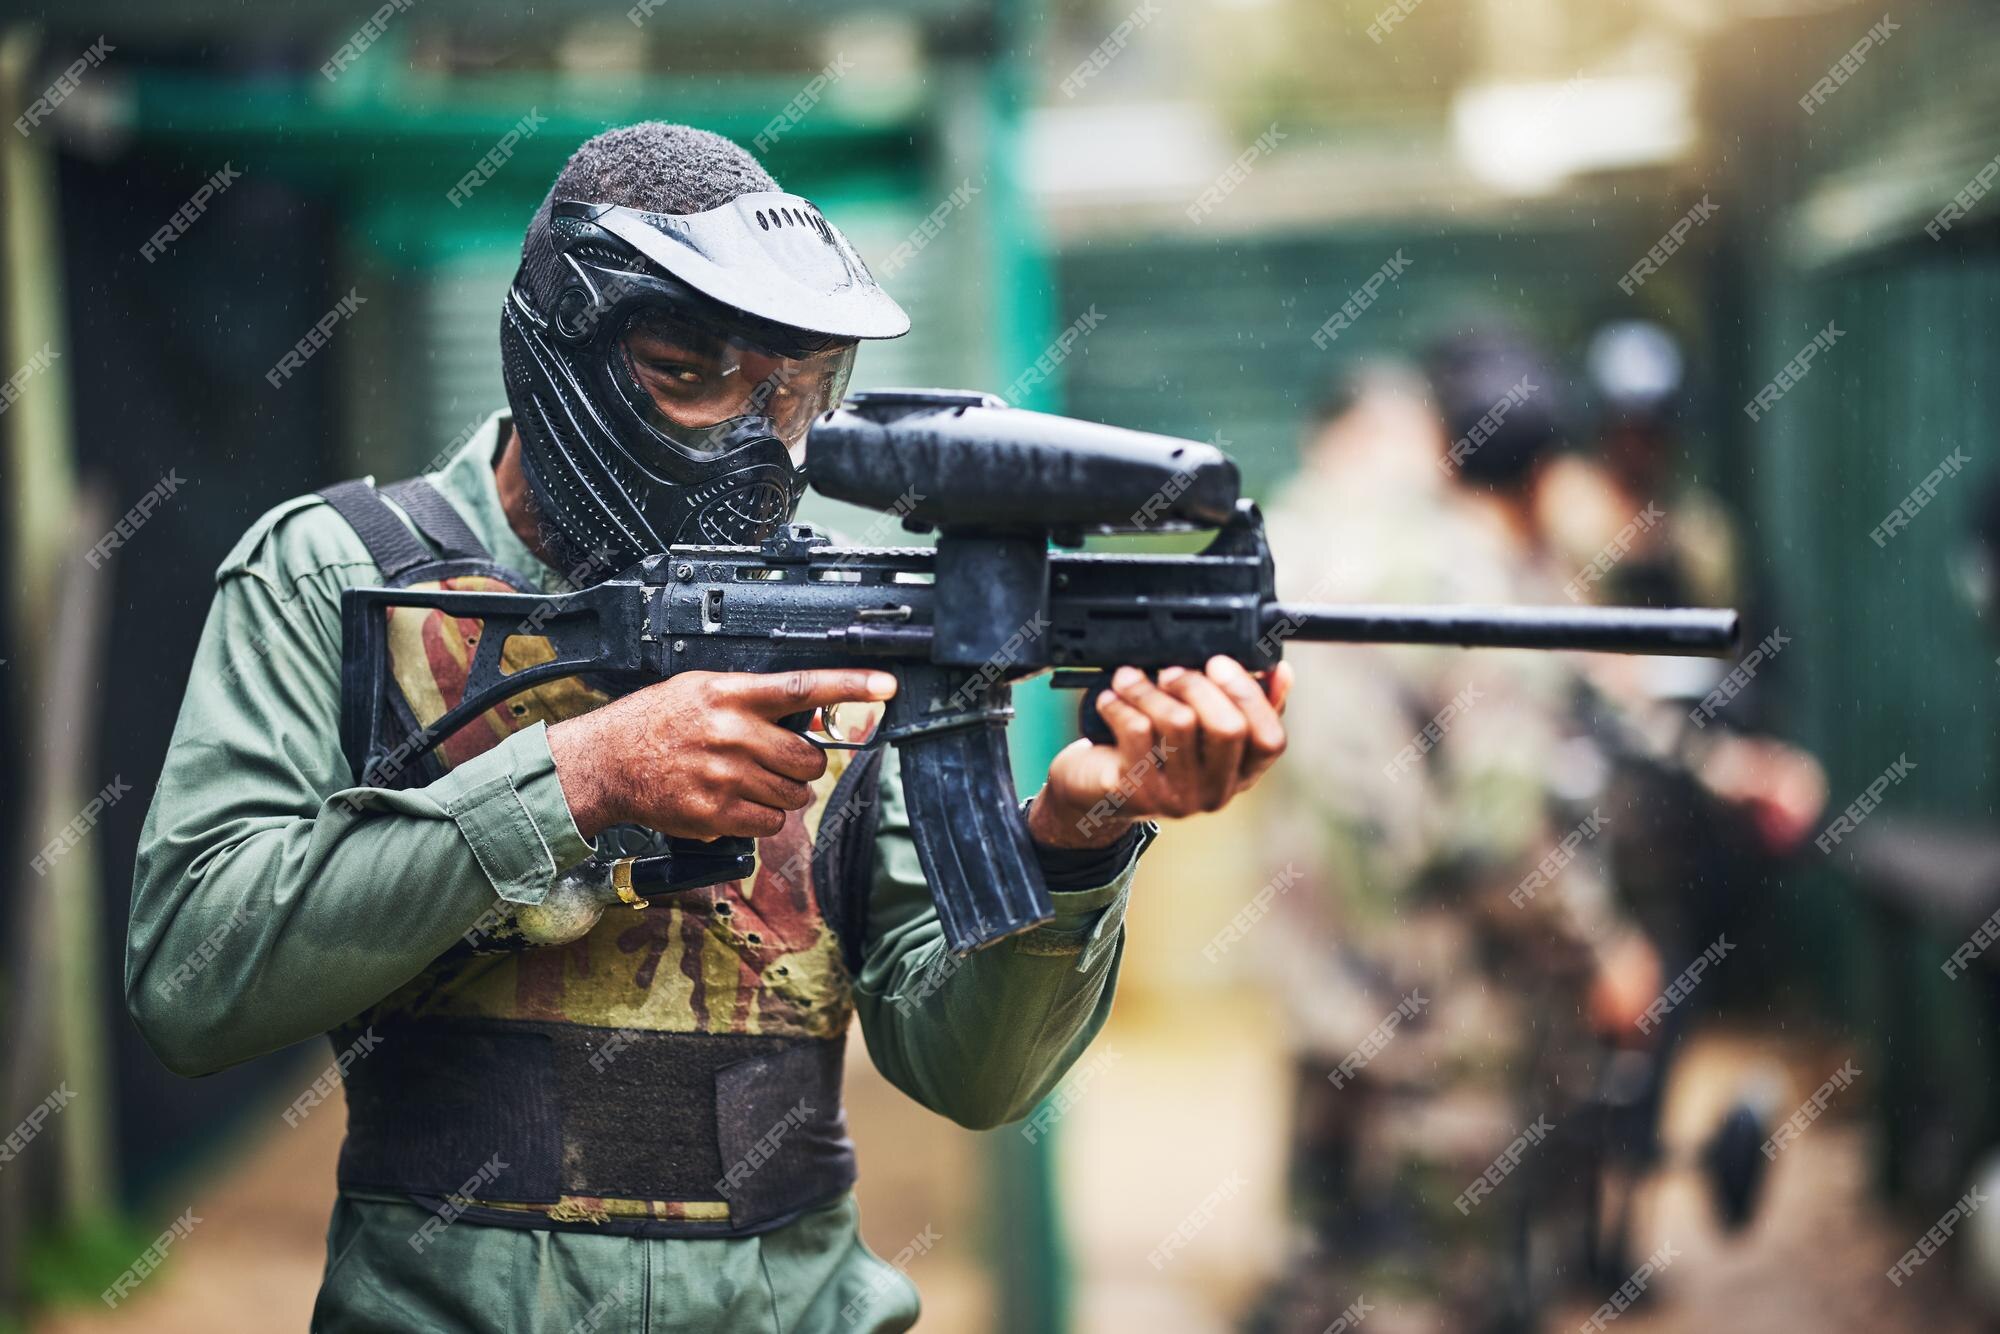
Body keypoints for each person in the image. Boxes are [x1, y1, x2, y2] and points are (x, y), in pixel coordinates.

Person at [124, 123, 1292, 1333]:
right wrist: (582, 774)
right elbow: (190, 980)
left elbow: (974, 1073)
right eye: (691, 371)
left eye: (794, 393)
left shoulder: (851, 625)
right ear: (559, 354)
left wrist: (1075, 830)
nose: (750, 441)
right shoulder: (338, 572)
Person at [1249, 338, 1660, 1334]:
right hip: (1441, 1026)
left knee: (1324, 1270)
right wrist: (1599, 945)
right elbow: (1500, 831)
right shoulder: (1470, 578)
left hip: (1327, 990)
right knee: (1433, 1290)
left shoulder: (1311, 546)